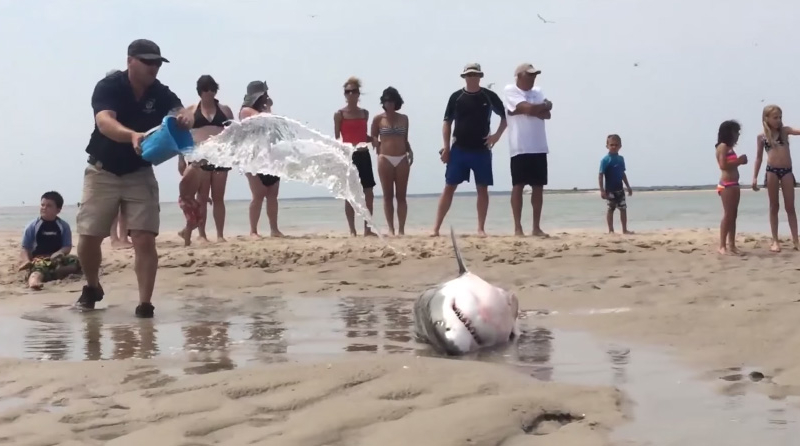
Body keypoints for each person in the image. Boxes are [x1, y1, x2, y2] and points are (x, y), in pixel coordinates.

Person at [75, 39, 193, 318]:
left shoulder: (160, 92)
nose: (154, 67)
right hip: (102, 170)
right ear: (130, 61)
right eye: (148, 61)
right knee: (90, 236)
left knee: (143, 238)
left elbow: (178, 111)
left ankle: (145, 305)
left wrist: (184, 117)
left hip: (139, 172)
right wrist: (131, 135)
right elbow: (104, 122)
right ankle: (92, 286)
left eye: (157, 63)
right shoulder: (110, 86)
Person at [432, 63, 507, 237]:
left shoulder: (488, 96)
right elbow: (447, 122)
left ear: (480, 76)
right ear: (464, 77)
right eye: (469, 75)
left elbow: (505, 117)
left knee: (482, 188)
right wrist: (446, 148)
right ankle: (435, 228)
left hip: (481, 150)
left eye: (475, 75)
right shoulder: (456, 97)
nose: (472, 77)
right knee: (449, 187)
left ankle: (480, 228)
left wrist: (496, 136)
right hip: (459, 150)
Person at [177, 74, 234, 244]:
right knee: (201, 196)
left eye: (212, 89)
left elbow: (232, 134)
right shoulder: (192, 110)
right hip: (199, 156)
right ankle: (201, 234)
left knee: (218, 198)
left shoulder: (224, 110)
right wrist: (181, 158)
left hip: (220, 156)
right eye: (206, 90)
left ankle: (220, 234)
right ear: (200, 92)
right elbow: (182, 135)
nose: (209, 93)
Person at [502, 63, 552, 237]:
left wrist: (535, 109)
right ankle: (518, 227)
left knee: (538, 187)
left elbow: (547, 114)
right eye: (529, 75)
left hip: (539, 146)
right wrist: (538, 108)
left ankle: (536, 227)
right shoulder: (511, 90)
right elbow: (531, 109)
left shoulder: (538, 91)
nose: (533, 78)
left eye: (534, 75)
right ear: (519, 76)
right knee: (518, 186)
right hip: (520, 147)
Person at [752, 104, 800, 252]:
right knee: (774, 206)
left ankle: (796, 240)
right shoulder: (762, 137)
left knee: (790, 207)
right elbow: (759, 158)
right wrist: (754, 177)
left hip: (787, 171)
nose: (778, 120)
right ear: (766, 118)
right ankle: (775, 241)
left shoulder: (785, 132)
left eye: (780, 117)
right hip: (771, 171)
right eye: (775, 117)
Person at [333, 76, 377, 236]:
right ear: (345, 94)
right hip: (348, 156)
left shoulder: (364, 113)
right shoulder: (339, 114)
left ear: (359, 94)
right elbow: (338, 138)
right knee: (350, 194)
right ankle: (352, 230)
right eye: (348, 92)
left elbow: (362, 136)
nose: (351, 94)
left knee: (369, 193)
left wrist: (373, 140)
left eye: (354, 91)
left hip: (364, 154)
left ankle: (367, 228)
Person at [240, 80, 284, 238]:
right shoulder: (246, 111)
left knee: (272, 194)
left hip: (270, 157)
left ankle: (274, 229)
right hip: (253, 159)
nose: (265, 96)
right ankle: (253, 231)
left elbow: (272, 127)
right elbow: (264, 120)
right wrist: (268, 108)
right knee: (258, 194)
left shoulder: (263, 111)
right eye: (263, 94)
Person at [371, 87, 414, 236]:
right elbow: (374, 137)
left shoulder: (404, 118)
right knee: (387, 195)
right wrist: (375, 142)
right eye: (386, 101)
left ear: (397, 102)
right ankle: (391, 228)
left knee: (401, 196)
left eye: (391, 101)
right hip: (385, 158)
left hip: (402, 157)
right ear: (383, 102)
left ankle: (401, 229)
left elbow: (405, 138)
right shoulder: (378, 119)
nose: (389, 103)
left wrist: (410, 150)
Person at [18, 191, 82, 290]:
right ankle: (34, 282)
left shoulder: (63, 226)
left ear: (58, 210)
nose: (44, 208)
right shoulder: (33, 226)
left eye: (49, 206)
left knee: (74, 262)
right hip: (39, 259)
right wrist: (26, 261)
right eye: (42, 205)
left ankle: (58, 273)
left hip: (57, 257)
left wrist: (60, 252)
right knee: (38, 271)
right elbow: (25, 248)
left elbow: (67, 246)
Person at [716, 120, 747, 255]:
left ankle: (732, 244)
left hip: (734, 184)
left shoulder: (729, 148)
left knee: (733, 215)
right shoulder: (722, 146)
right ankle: (722, 245)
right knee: (728, 214)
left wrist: (738, 161)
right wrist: (739, 161)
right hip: (726, 185)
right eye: (736, 132)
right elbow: (723, 165)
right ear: (729, 132)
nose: (738, 135)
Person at [598, 134, 633, 234]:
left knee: (623, 209)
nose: (614, 147)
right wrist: (602, 190)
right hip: (610, 190)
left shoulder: (621, 159)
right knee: (610, 209)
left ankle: (624, 230)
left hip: (620, 189)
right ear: (607, 146)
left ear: (620, 146)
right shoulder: (605, 160)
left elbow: (622, 174)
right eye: (611, 145)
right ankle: (611, 230)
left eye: (616, 145)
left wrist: (628, 186)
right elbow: (600, 175)